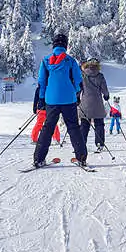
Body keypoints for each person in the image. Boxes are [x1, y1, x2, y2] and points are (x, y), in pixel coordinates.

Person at [33, 33, 87, 168]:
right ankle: (81, 158)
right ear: (65, 46)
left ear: (54, 45)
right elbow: (78, 81)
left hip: (51, 100)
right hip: (69, 99)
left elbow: (42, 82)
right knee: (73, 127)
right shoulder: (70, 61)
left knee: (47, 128)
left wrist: (41, 99)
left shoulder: (46, 61)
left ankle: (39, 159)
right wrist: (76, 94)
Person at [78, 58, 110, 153]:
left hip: (85, 103)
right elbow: (104, 88)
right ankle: (100, 144)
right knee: (99, 124)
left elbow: (79, 89)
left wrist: (77, 98)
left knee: (84, 125)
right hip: (97, 103)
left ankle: (81, 144)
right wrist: (106, 95)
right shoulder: (100, 76)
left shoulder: (83, 75)